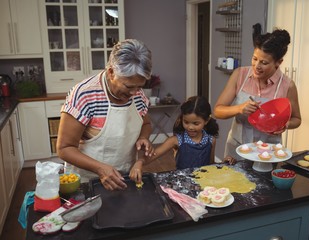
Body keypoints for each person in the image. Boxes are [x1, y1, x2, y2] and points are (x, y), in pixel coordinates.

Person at [57, 39, 155, 191]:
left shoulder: (138, 95)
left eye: (139, 86)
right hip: (87, 182)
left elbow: (146, 124)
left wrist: (143, 137)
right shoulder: (84, 95)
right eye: (128, 86)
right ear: (111, 72)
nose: (134, 93)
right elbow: (64, 148)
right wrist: (100, 169)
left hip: (124, 178)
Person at [214, 23, 301, 157]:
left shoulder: (287, 86)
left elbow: (297, 119)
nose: (256, 66)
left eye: (264, 63)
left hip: (269, 152)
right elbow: (218, 111)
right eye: (255, 59)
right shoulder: (240, 75)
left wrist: (285, 125)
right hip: (237, 148)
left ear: (278, 62)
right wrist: (239, 108)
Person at [144, 96, 221, 169]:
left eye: (196, 123)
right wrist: (139, 162)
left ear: (206, 121)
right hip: (183, 181)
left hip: (204, 181)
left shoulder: (211, 140)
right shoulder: (176, 140)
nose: (190, 127)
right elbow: (153, 155)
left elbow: (211, 164)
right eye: (186, 122)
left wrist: (225, 162)